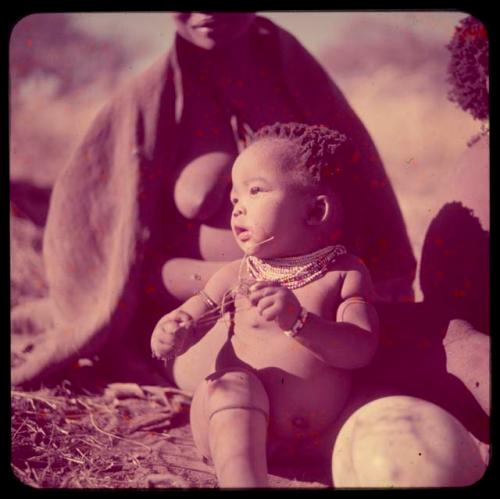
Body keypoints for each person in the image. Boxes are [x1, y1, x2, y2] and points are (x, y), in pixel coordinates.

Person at [11, 14, 416, 392]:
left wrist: (322, 285)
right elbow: (100, 221)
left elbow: (362, 187)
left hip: (315, 298)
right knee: (234, 391)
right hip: (203, 300)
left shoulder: (296, 79)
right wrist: (219, 294)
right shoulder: (149, 100)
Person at [150, 122, 486, 488]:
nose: (238, 209)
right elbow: (193, 318)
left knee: (383, 410)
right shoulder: (235, 275)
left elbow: (360, 349)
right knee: (231, 386)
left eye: (255, 191)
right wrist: (171, 334)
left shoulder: (344, 274)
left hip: (323, 434)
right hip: (239, 428)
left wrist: (299, 321)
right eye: (235, 199)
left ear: (315, 212)